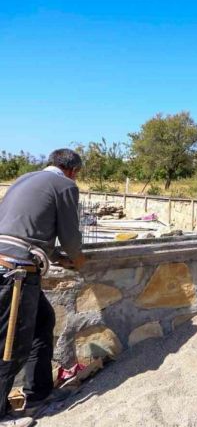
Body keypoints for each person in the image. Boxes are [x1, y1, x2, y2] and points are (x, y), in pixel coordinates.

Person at [0, 149, 86, 426]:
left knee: (42, 323)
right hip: (17, 271)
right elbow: (70, 235)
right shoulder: (65, 185)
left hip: (8, 259)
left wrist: (48, 253)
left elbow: (24, 224)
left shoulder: (26, 178)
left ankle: (38, 394)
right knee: (11, 343)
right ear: (73, 170)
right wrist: (78, 259)